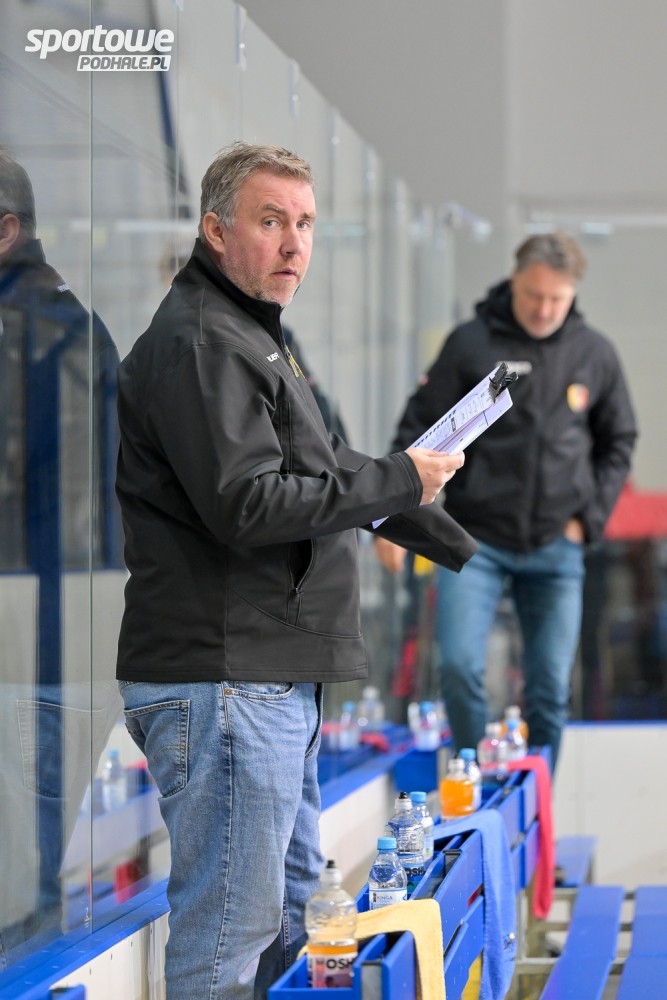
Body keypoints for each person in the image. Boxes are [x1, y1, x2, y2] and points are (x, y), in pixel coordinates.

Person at [114, 140, 477, 1000]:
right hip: (228, 679)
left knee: (283, 916)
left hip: (263, 677)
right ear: (215, 230)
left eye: (306, 224)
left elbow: (321, 466)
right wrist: (398, 480)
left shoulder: (248, 336)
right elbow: (247, 504)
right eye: (270, 221)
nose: (293, 244)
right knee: (229, 934)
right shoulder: (205, 343)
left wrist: (435, 520)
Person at [375, 231, 637, 771]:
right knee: (458, 668)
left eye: (556, 299)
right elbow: (418, 430)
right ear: (514, 281)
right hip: (475, 541)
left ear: (573, 293)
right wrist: (393, 515)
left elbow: (620, 441)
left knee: (549, 687)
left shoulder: (594, 353)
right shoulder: (471, 344)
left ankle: (537, 802)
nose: (544, 309)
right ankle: (473, 783)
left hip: (557, 545)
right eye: (533, 295)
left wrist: (588, 521)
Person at [0, 149, 122, 966]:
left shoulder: (26, 328)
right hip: (71, 609)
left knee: (22, 827)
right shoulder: (71, 318)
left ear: (5, 230)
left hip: (31, 608)